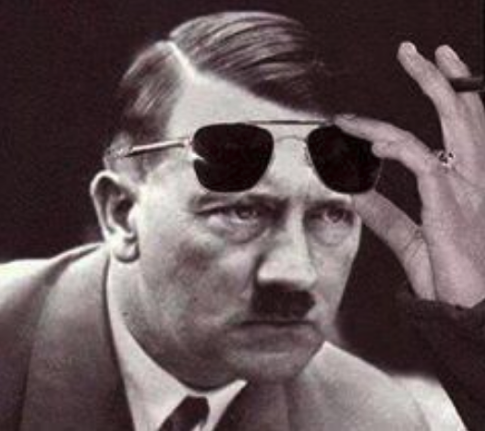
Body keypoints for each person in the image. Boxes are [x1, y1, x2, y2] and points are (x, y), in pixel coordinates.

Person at [1, 9, 481, 430]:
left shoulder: (370, 419)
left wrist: (474, 328)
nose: (296, 272)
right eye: (241, 211)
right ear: (122, 213)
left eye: (331, 213)